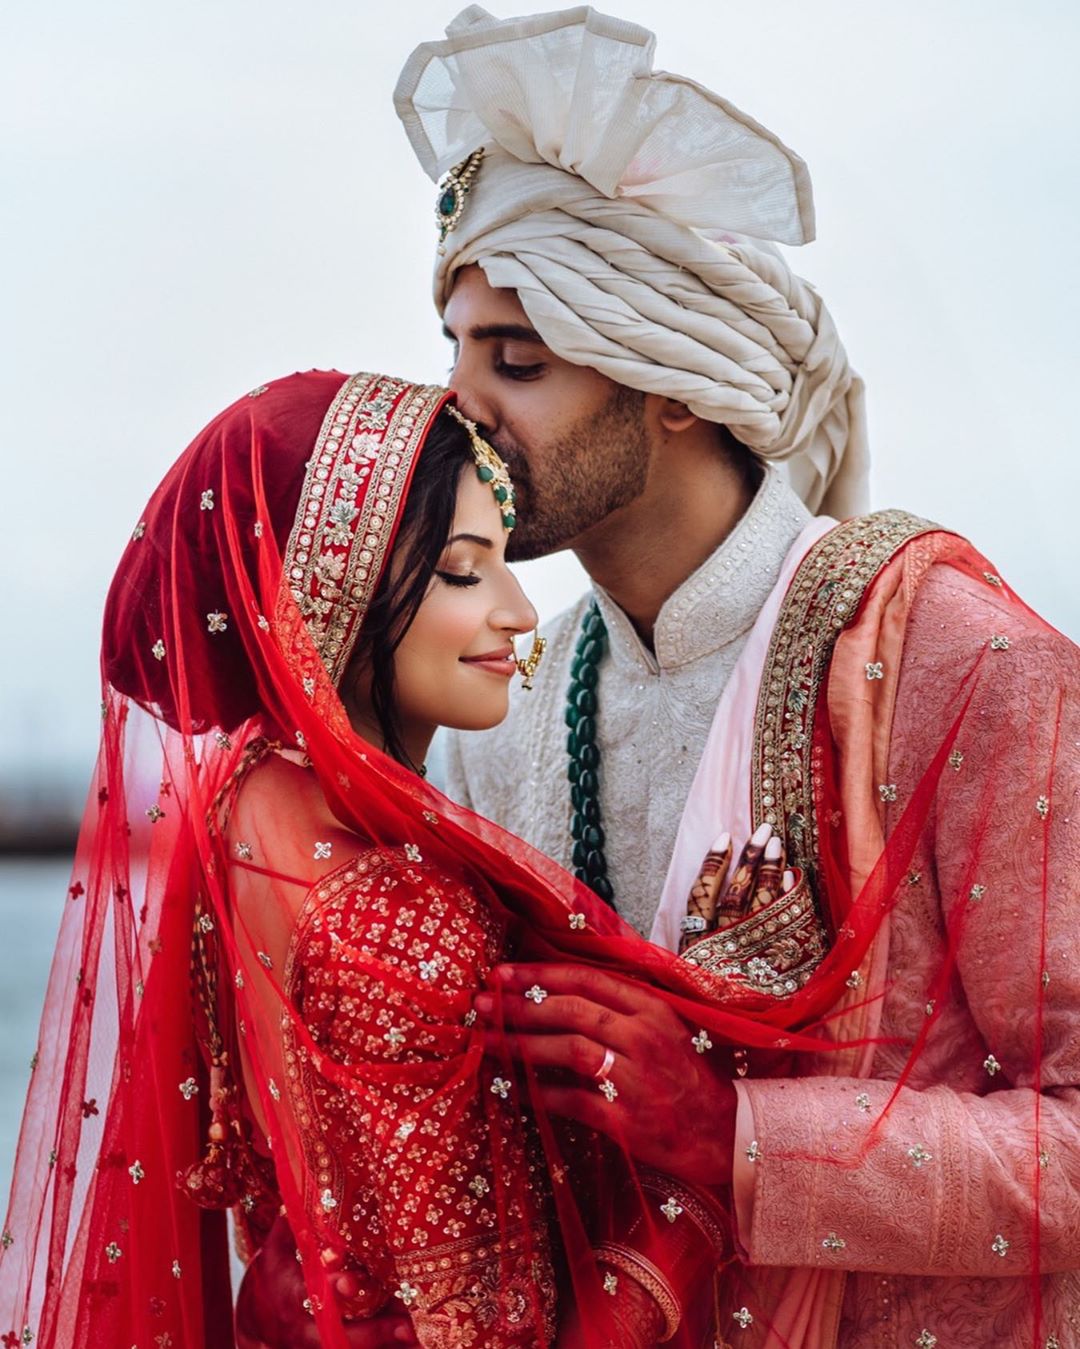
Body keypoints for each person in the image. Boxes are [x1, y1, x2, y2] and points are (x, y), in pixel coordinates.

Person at [384, 9, 1079, 1349]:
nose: (458, 409)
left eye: (515, 362)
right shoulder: (506, 708)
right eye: (455, 353)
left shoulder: (964, 660)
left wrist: (738, 1134)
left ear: (675, 388)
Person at [0, 367, 822, 1349]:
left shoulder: (246, 796)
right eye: (465, 570)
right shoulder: (396, 916)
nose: (521, 611)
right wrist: (703, 1139)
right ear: (335, 591)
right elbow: (487, 1329)